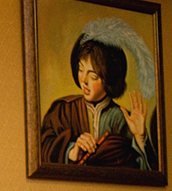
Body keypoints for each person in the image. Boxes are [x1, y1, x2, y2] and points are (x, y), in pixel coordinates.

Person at [40, 17, 158, 170]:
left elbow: (148, 172)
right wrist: (71, 151)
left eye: (93, 76)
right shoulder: (62, 110)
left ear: (109, 79)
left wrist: (140, 137)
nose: (84, 80)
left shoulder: (124, 120)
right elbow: (42, 149)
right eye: (81, 70)